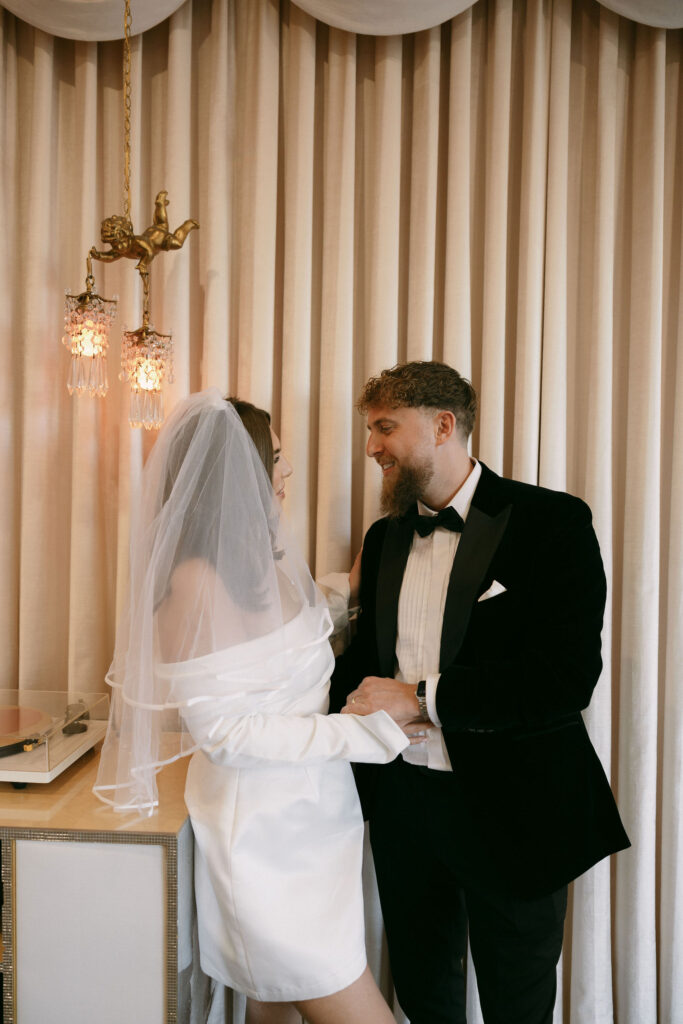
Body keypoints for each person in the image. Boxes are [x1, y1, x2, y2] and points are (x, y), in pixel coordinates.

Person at [94, 388, 418, 1024]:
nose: (287, 471)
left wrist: (346, 590)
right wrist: (367, 734)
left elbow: (272, 655)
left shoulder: (259, 562)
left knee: (276, 1010)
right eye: (274, 458)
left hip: (316, 828)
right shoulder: (193, 582)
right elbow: (225, 731)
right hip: (265, 844)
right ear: (234, 476)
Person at [330, 361, 630, 1024]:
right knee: (421, 991)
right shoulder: (383, 538)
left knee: (517, 1000)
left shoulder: (550, 522)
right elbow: (358, 671)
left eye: (385, 427)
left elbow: (563, 678)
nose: (372, 446)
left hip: (515, 806)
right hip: (404, 806)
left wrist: (419, 696)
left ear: (443, 425)